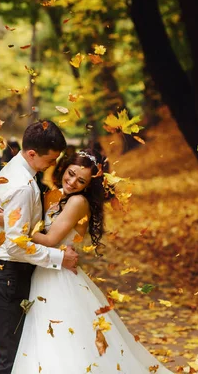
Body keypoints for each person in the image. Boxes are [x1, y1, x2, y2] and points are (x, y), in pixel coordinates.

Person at [9, 150, 172, 373]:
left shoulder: (77, 202)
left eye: (81, 180)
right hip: (46, 271)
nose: (73, 181)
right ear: (63, 169)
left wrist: (13, 224)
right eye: (71, 173)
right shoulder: (55, 195)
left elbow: (49, 239)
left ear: (87, 186)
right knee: (46, 339)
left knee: (64, 338)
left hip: (59, 278)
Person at [0, 120, 79, 374]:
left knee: (21, 352)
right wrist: (59, 257)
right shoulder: (22, 187)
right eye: (51, 159)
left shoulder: (16, 168)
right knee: (12, 359)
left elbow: (17, 228)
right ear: (32, 153)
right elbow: (17, 246)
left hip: (11, 274)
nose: (53, 164)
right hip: (8, 277)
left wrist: (15, 222)